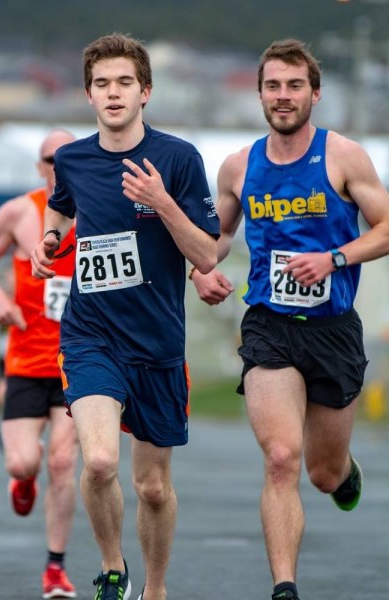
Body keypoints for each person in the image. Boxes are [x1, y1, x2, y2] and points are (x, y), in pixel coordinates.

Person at [191, 39, 389, 600]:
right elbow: (216, 240)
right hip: (268, 326)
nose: (283, 96)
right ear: (259, 94)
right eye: (273, 85)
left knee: (323, 475)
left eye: (294, 85)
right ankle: (285, 588)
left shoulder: (343, 157)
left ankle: (343, 468)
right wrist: (199, 272)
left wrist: (334, 258)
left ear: (315, 94)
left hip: (332, 328)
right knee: (281, 458)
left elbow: (386, 227)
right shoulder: (238, 166)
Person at [31, 34, 219, 600]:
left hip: (158, 341)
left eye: (124, 83)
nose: (113, 93)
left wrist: (162, 202)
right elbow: (63, 204)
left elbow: (207, 254)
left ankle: (155, 588)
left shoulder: (179, 159)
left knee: (154, 487)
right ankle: (113, 568)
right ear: (89, 95)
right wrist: (49, 239)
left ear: (146, 92)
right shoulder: (73, 158)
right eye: (102, 84)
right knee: (99, 463)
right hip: (91, 334)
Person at [0, 129, 79, 599]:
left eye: (67, 157)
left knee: (63, 461)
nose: (58, 164)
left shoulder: (103, 211)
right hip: (26, 357)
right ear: (40, 167)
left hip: (78, 359)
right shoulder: (19, 212)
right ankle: (23, 480)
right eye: (50, 159)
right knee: (23, 461)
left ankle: (55, 567)